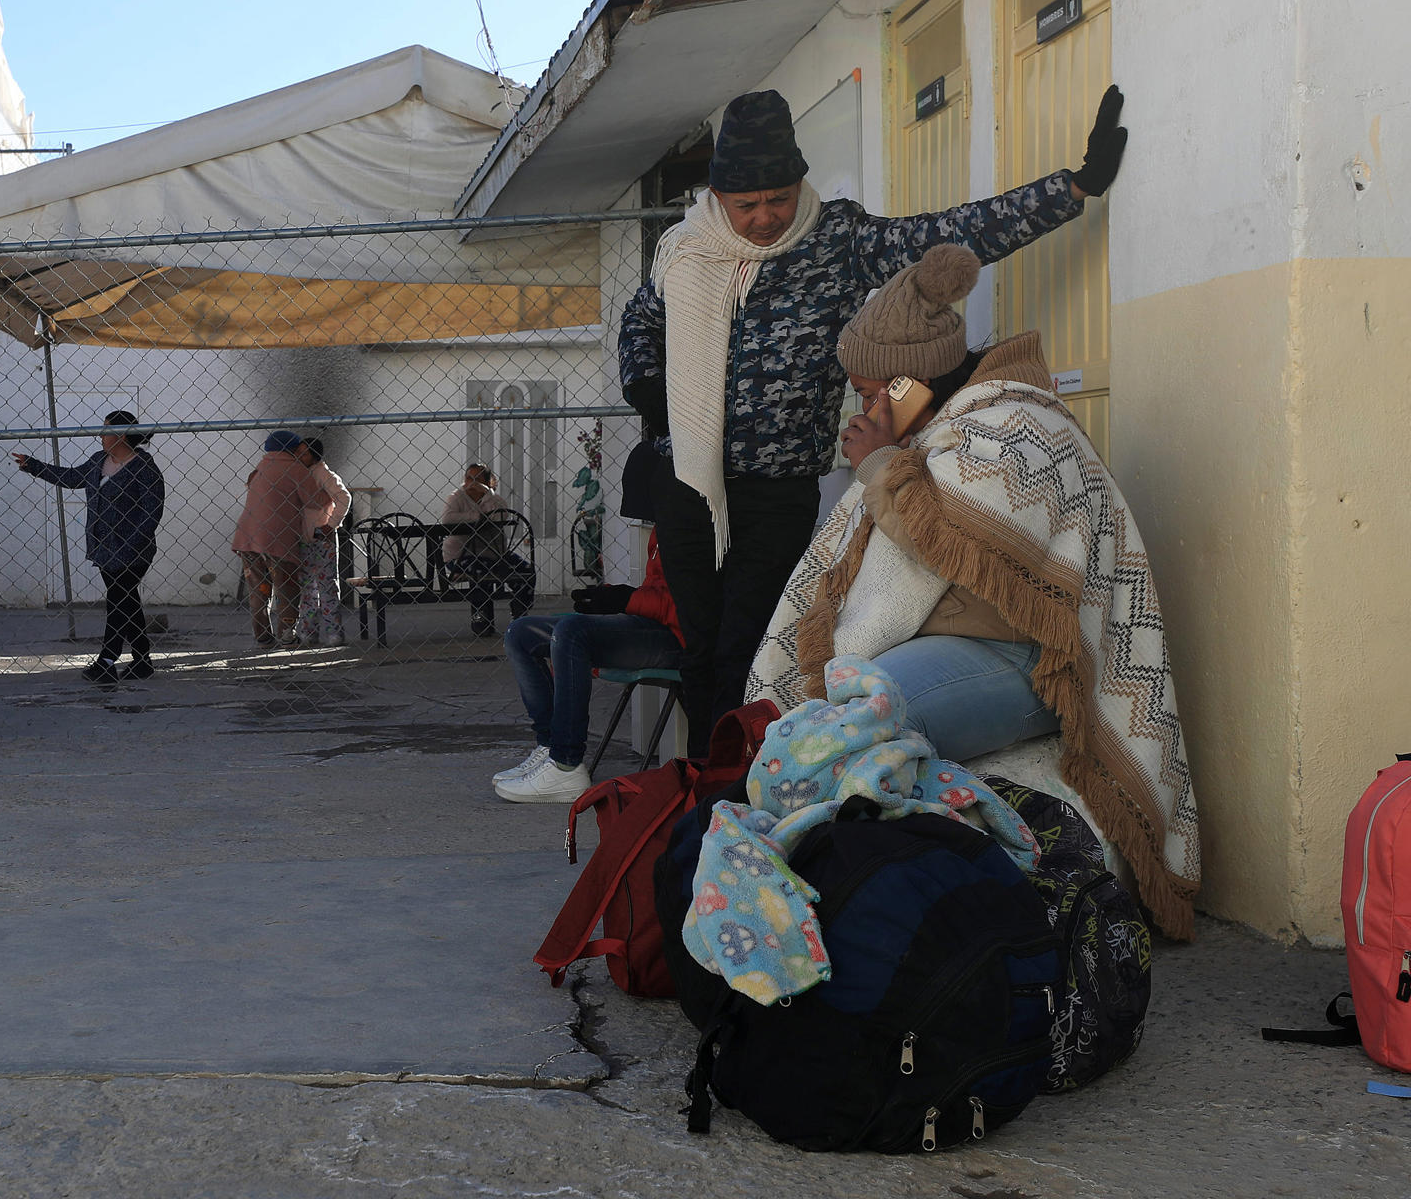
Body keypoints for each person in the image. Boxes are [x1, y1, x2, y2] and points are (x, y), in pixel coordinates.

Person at [618, 84, 1129, 759]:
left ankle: (743, 780)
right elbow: (641, 321)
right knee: (699, 644)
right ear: (718, 200)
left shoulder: (839, 239)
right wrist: (647, 386)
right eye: (748, 205)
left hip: (776, 490)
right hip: (687, 482)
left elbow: (952, 234)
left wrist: (1071, 189)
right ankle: (707, 781)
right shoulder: (685, 249)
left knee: (749, 645)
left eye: (780, 199)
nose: (767, 217)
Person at [747, 243, 1199, 940]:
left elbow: (939, 531)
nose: (865, 406)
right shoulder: (942, 430)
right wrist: (889, 460)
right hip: (957, 653)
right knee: (812, 728)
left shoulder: (1016, 423)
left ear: (910, 381)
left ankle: (842, 913)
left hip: (1026, 665)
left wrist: (878, 466)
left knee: (844, 732)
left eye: (873, 392)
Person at [491, 533, 682, 805]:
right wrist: (616, 601)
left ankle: (566, 764)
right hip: (649, 620)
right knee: (521, 633)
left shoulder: (698, 514)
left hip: (678, 637)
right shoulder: (664, 518)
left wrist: (626, 600)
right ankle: (549, 745)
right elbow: (659, 590)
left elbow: (688, 607)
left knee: (572, 632)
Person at [13, 409, 165, 682]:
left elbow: (151, 514)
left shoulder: (144, 467)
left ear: (121, 435)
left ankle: (106, 661)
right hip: (103, 548)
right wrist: (34, 466)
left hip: (133, 551)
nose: (100, 435)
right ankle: (142, 661)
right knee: (127, 602)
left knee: (118, 602)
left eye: (106, 430)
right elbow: (72, 478)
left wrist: (131, 545)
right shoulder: (99, 461)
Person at [232, 430, 320, 646]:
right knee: (287, 588)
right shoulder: (296, 469)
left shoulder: (260, 468)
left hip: (248, 539)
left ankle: (262, 635)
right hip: (278, 541)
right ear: (292, 448)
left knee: (259, 588)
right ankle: (286, 634)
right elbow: (317, 501)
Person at [440, 463, 533, 635]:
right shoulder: (457, 497)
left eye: (478, 479)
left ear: (487, 482)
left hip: (494, 553)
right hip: (462, 555)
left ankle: (519, 612)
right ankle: (480, 619)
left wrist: (487, 494)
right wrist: (477, 517)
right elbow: (447, 519)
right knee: (480, 571)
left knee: (527, 571)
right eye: (469, 478)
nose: (472, 483)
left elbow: (502, 515)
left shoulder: (493, 498)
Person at [292, 437, 351, 648]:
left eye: (305, 453)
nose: (300, 456)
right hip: (305, 539)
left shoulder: (323, 474)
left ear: (315, 456)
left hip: (321, 538)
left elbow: (344, 497)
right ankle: (308, 632)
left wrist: (331, 524)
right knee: (307, 589)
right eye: (298, 452)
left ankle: (333, 634)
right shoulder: (303, 473)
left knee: (327, 587)